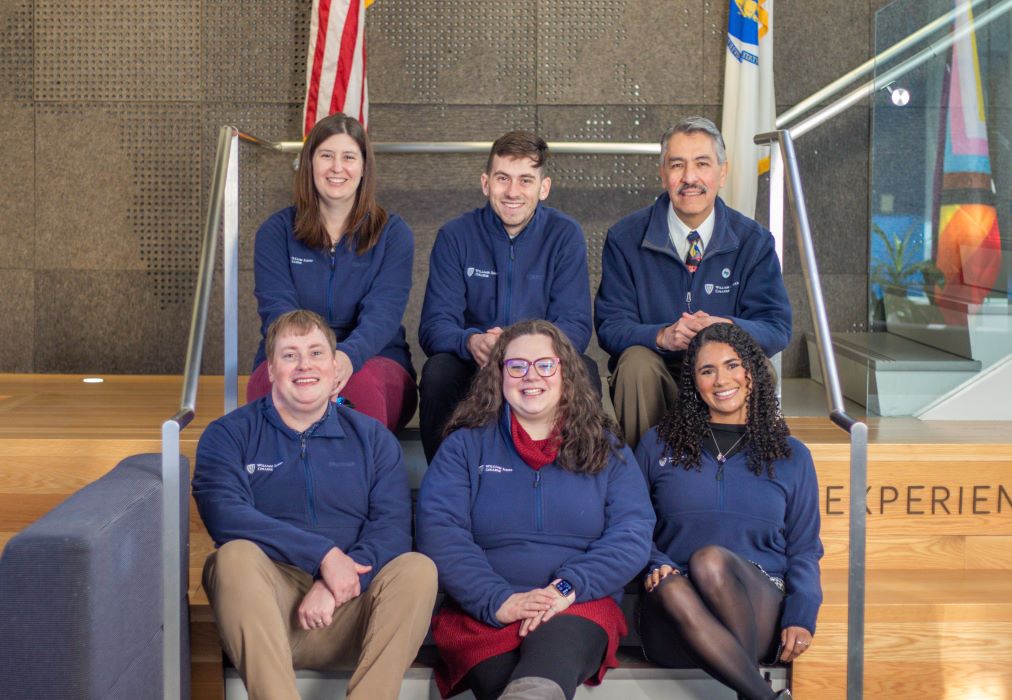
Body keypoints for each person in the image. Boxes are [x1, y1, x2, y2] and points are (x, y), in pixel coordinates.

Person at [193, 310, 437, 700]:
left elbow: (391, 528)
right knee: (232, 556)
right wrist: (323, 555)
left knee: (417, 569)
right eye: (290, 355)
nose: (305, 365)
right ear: (270, 369)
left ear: (335, 367)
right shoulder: (228, 435)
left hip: (355, 612)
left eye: (316, 353)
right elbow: (225, 514)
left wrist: (339, 581)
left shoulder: (373, 439)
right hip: (270, 612)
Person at [416, 319, 655, 700]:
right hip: (484, 610)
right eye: (517, 366)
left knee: (546, 665)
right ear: (498, 374)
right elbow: (440, 532)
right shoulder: (464, 447)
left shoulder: (605, 448)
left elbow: (632, 532)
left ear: (566, 373)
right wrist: (499, 600)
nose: (531, 376)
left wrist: (566, 587)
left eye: (545, 365)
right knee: (508, 683)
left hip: (577, 604)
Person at [634, 322, 822, 700]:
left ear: (752, 371)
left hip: (758, 608)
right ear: (694, 383)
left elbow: (804, 549)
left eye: (733, 365)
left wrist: (802, 614)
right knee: (673, 584)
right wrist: (655, 562)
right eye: (707, 370)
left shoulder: (791, 456)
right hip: (674, 616)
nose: (722, 380)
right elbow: (630, 525)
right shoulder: (658, 444)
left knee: (710, 561)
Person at [595, 115, 792, 447]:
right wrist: (663, 336)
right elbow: (610, 326)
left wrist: (724, 329)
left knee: (757, 368)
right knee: (635, 364)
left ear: (722, 172)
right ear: (663, 174)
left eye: (702, 164)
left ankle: (739, 480)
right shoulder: (625, 238)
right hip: (657, 371)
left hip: (721, 371)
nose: (690, 178)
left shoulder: (753, 241)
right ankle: (645, 485)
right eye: (677, 165)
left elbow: (776, 328)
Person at [418, 130, 599, 463]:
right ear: (486, 183)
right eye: (503, 178)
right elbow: (434, 326)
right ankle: (445, 484)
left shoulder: (564, 235)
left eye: (526, 180)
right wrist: (470, 342)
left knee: (584, 369)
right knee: (438, 371)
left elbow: (576, 326)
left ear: (543, 188)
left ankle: (574, 481)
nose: (513, 191)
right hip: (475, 362)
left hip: (542, 364)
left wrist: (523, 350)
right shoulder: (455, 236)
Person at [248, 113, 416, 431]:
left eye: (349, 157)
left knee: (359, 393)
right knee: (272, 394)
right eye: (326, 156)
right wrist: (311, 359)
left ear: (364, 167)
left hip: (373, 355)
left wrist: (346, 358)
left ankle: (360, 480)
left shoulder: (393, 234)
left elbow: (384, 313)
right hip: (291, 353)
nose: (337, 168)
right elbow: (277, 311)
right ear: (310, 163)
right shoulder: (276, 232)